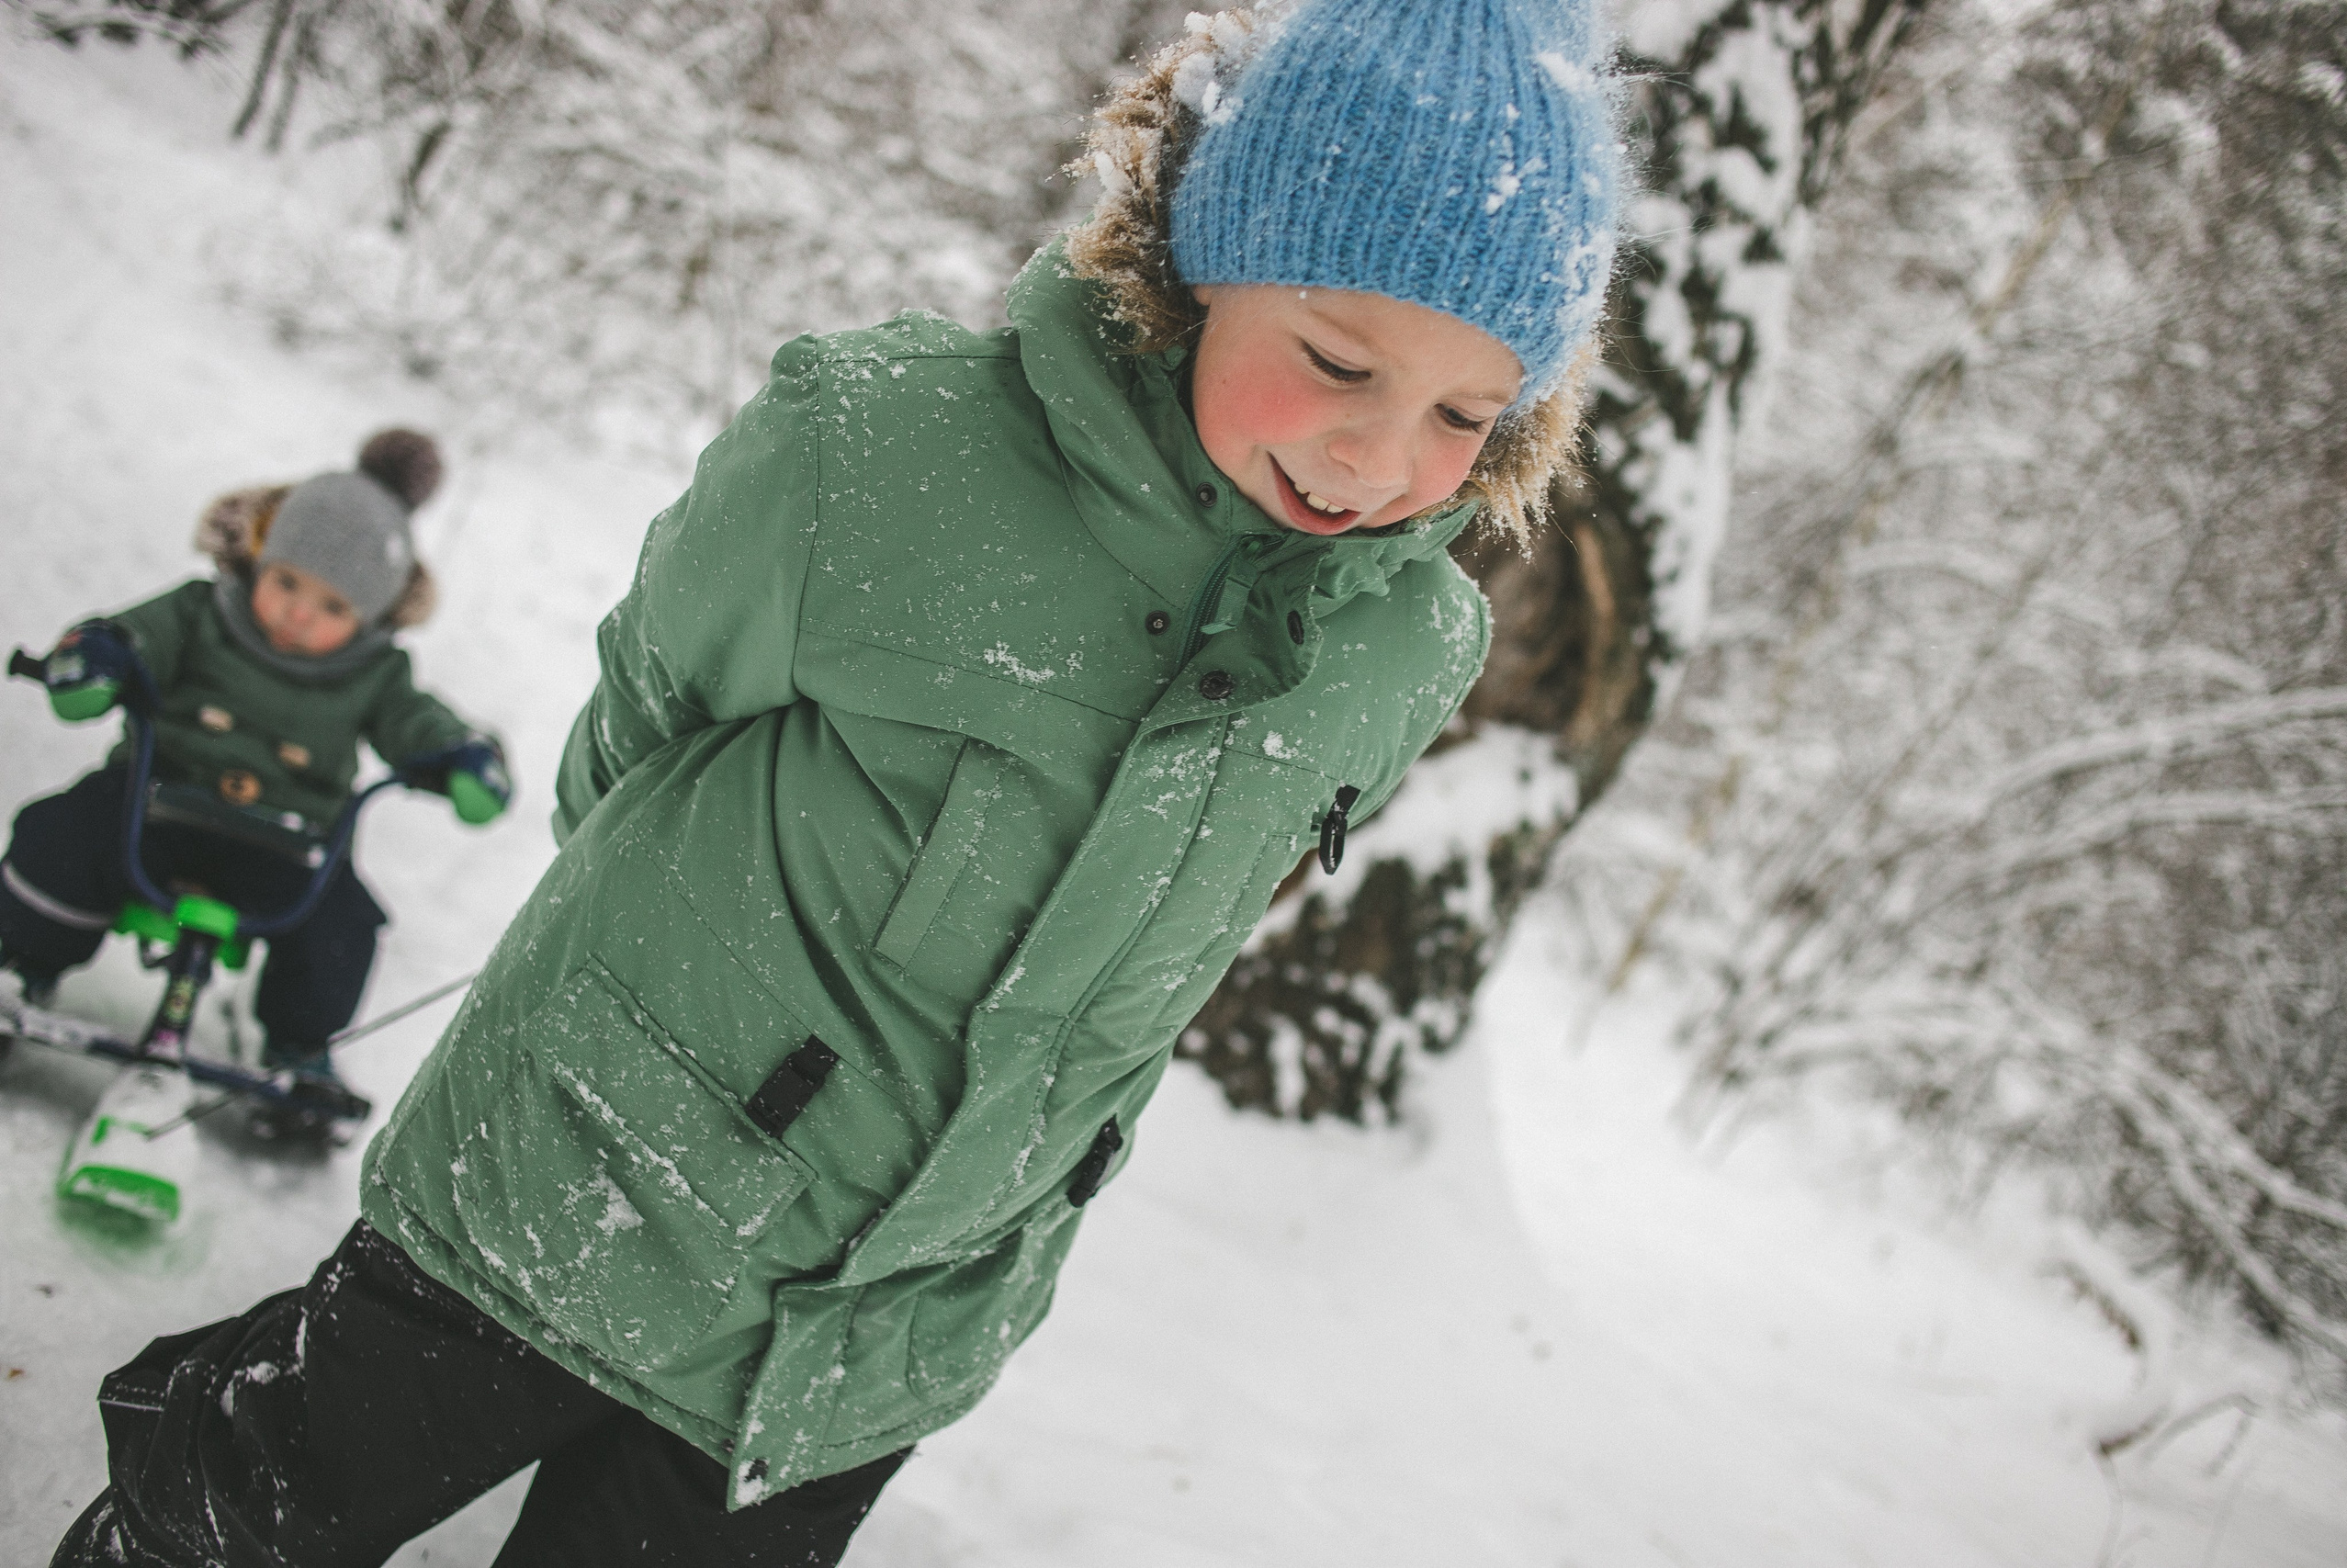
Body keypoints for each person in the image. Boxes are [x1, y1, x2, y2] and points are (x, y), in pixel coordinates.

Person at [51, 0, 1619, 1562]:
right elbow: (648, 717)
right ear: (1202, 260)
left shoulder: (1404, 646)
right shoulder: (888, 450)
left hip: (887, 1313)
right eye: (1339, 360)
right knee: (262, 1504)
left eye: (1465, 415)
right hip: (598, 1158)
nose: (1376, 456)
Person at [0, 428, 510, 1106]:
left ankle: (300, 1048)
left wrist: (459, 757)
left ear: (370, 617)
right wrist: (99, 657)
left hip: (285, 842)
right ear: (259, 555)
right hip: (153, 805)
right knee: (62, 836)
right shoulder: (201, 611)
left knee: (343, 922)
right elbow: (135, 635)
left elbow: (414, 720)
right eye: (288, 582)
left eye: (332, 606)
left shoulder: (375, 672)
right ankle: (19, 960)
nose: (301, 613)